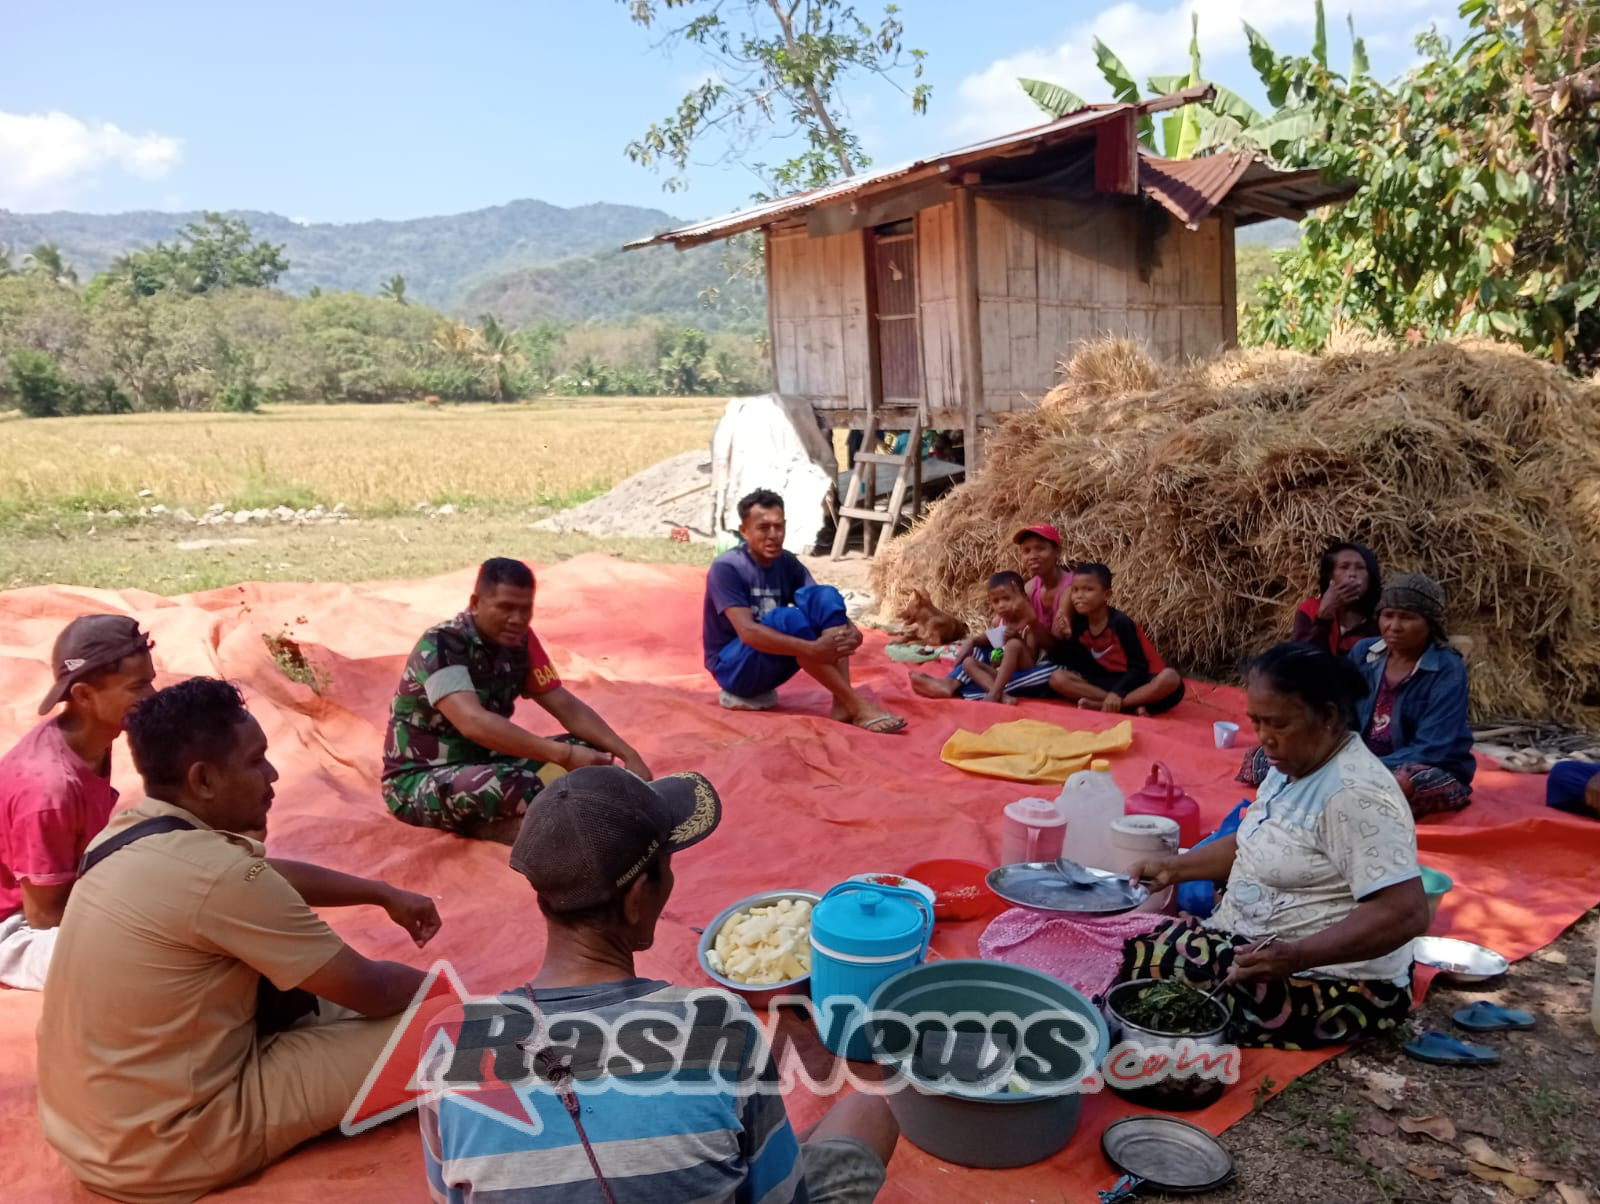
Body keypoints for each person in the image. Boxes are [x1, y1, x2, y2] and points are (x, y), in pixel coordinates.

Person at [36, 678, 443, 1204]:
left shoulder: (127, 834)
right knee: (448, 1032)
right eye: (256, 762)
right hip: (167, 1148)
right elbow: (373, 990)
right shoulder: (220, 878)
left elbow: (258, 873)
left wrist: (376, 891)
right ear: (203, 780)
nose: (272, 778)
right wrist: (446, 997)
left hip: (89, 1129)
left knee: (322, 998)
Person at [418, 764, 899, 1202]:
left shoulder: (450, 1045)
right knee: (865, 1113)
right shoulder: (719, 1026)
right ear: (636, 898)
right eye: (667, 867)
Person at [1118, 643, 1429, 1049]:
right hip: (1256, 948)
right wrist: (1175, 868)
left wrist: (1295, 956)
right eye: (1257, 722)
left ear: (1329, 718)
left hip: (1336, 984)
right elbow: (1253, 842)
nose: (1264, 738)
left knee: (1136, 969)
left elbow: (1405, 912)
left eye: (1278, 724)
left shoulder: (1353, 796)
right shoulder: (1294, 765)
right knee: (1120, 941)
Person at [384, 557, 650, 843]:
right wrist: (563, 756)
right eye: (505, 607)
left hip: (488, 760)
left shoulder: (520, 642)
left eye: (526, 609)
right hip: (420, 780)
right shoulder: (442, 645)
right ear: (475, 603)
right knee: (517, 784)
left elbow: (565, 705)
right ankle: (504, 829)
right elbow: (474, 723)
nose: (517, 620)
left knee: (592, 752)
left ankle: (539, 825)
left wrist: (628, 754)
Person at [0, 615, 156, 991]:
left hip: (67, 891)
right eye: (138, 686)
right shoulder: (48, 789)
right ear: (84, 695)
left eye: (151, 681)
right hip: (15, 927)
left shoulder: (94, 742)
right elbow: (43, 916)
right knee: (158, 954)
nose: (152, 696)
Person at [703, 489, 905, 733]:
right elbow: (747, 632)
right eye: (763, 528)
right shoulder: (727, 568)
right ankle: (856, 704)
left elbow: (822, 605)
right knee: (788, 619)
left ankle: (841, 704)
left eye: (779, 527)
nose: (773, 535)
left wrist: (852, 632)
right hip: (734, 670)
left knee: (826, 595)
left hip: (770, 657)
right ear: (744, 531)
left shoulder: (787, 563)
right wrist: (811, 648)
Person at [1351, 572, 1475, 818]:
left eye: (1408, 617)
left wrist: (1357, 769)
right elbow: (1339, 714)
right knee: (1268, 759)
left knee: (1406, 783)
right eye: (1387, 615)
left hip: (1422, 767)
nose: (1394, 626)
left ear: (1431, 624)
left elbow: (1432, 747)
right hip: (1358, 762)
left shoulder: (1447, 668)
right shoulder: (1364, 653)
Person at [1047, 563, 1185, 715]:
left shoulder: (1120, 622)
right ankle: (1126, 706)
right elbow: (1081, 665)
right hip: (1103, 682)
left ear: (1107, 595)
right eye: (1075, 590)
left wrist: (1118, 692)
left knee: (1170, 677)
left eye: (1088, 589)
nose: (1079, 595)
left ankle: (1108, 704)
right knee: (1057, 678)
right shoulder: (1079, 624)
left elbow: (1139, 666)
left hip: (1133, 681)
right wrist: (1066, 638)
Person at [908, 571, 1057, 702]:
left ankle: (992, 692)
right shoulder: (999, 621)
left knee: (1013, 645)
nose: (1001, 606)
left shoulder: (1029, 625)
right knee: (969, 661)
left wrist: (1017, 640)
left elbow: (1030, 659)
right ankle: (995, 694)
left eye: (1006, 599)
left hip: (1024, 674)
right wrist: (984, 651)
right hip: (1001, 674)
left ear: (1022, 597)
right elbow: (992, 647)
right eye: (996, 601)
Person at [1293, 542, 1382, 655]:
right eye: (1344, 567)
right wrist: (1324, 618)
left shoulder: (1381, 619)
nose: (1352, 574)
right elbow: (1302, 662)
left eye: (1360, 567)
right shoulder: (1310, 609)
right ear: (1330, 576)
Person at [1014, 523, 1074, 646]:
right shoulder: (1029, 588)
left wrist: (1032, 621)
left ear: (1057, 551)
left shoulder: (1071, 588)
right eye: (1026, 551)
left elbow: (1057, 647)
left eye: (1040, 549)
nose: (1032, 556)